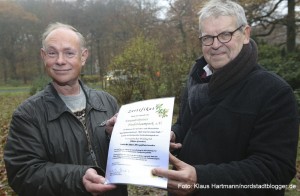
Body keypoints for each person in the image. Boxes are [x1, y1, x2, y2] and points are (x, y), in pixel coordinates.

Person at [152, 0, 299, 195]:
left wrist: (202, 179)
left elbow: (274, 170)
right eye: (207, 38)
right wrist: (174, 135)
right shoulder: (197, 81)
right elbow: (186, 125)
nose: (215, 45)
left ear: (245, 34)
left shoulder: (274, 92)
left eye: (225, 35)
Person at [4, 22, 127, 196]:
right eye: (52, 53)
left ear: (83, 57)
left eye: (69, 53)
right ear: (43, 56)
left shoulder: (107, 102)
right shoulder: (27, 115)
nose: (60, 61)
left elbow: (123, 160)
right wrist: (78, 179)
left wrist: (114, 137)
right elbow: (22, 174)